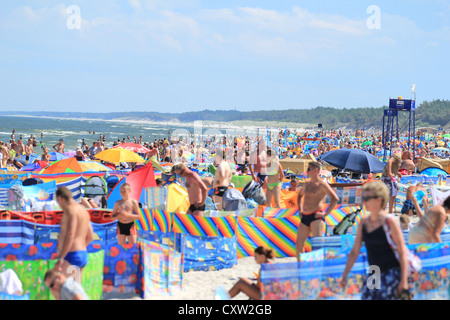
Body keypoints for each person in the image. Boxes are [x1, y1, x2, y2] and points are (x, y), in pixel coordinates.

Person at [340, 181, 409, 300]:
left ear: (378, 200)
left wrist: (404, 281)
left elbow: (402, 252)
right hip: (374, 273)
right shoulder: (364, 222)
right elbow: (354, 252)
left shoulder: (390, 222)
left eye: (367, 198)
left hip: (391, 273)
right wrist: (344, 276)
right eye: (363, 197)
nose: (364, 201)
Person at [296, 161, 339, 261]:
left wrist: (326, 213)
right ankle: (302, 267)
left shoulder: (322, 185)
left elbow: (335, 198)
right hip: (305, 216)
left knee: (317, 245)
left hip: (316, 216)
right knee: (299, 244)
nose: (307, 171)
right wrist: (300, 209)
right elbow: (299, 195)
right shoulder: (307, 184)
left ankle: (317, 268)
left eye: (309, 169)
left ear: (316, 170)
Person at [55, 187, 94, 283]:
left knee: (62, 287)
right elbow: (90, 236)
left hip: (71, 255)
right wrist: (81, 248)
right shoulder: (83, 210)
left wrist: (61, 258)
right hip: (82, 254)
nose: (59, 205)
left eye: (58, 202)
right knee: (75, 290)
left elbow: (70, 235)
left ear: (60, 199)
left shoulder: (70, 210)